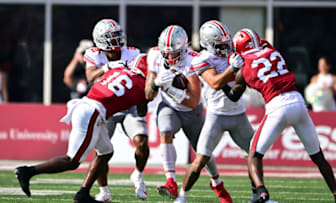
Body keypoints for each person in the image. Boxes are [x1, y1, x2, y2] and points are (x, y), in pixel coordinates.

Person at [224, 28, 336, 203]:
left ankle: (261, 191)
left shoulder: (244, 68)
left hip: (277, 105)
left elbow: (234, 96)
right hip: (297, 101)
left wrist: (220, 83)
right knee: (318, 156)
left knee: (254, 155)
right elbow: (263, 48)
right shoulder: (273, 51)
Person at [14, 54, 149, 203]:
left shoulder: (118, 70)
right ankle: (28, 171)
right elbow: (142, 111)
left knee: (106, 151)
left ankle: (83, 193)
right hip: (93, 112)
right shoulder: (141, 84)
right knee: (72, 161)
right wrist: (151, 92)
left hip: (87, 106)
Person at [145, 24, 231, 202]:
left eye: (173, 53)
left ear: (183, 49)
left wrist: (170, 89)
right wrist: (154, 84)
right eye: (165, 52)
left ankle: (217, 183)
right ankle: (171, 181)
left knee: (202, 151)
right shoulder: (154, 56)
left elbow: (193, 101)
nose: (168, 57)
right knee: (165, 132)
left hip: (192, 111)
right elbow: (148, 94)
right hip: (168, 107)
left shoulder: (193, 60)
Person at [174, 20, 255, 203]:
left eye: (227, 43)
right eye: (221, 44)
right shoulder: (202, 59)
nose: (226, 47)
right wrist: (233, 68)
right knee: (201, 158)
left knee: (254, 154)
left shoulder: (232, 52)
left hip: (239, 114)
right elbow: (215, 83)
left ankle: (257, 194)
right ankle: (182, 196)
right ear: (208, 44)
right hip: (216, 115)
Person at [83, 18, 149, 201]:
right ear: (101, 40)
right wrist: (108, 67)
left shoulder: (132, 53)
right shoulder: (94, 54)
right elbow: (89, 76)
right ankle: (103, 191)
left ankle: (138, 173)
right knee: (101, 153)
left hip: (129, 105)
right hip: (106, 106)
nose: (117, 40)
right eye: (112, 37)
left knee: (142, 142)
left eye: (117, 35)